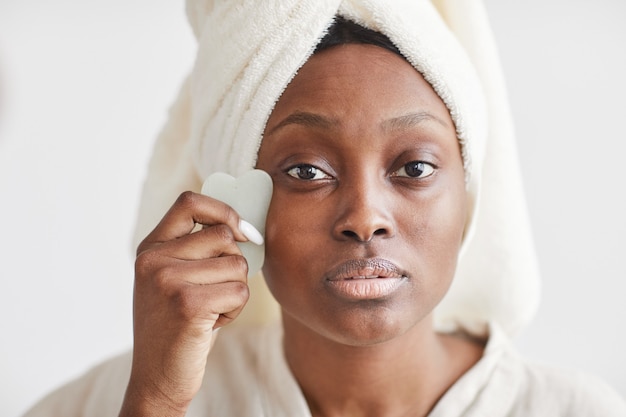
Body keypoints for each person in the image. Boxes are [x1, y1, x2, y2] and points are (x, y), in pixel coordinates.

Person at [23, 1, 626, 416]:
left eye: (413, 168)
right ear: (235, 203)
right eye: (306, 171)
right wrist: (156, 400)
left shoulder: (575, 409)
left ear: (469, 191)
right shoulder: (112, 402)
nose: (366, 217)